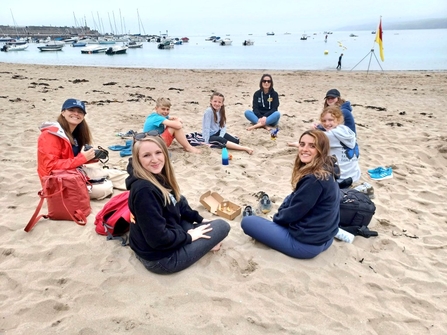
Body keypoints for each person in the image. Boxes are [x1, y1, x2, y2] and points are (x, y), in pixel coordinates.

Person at [126, 134, 231, 274]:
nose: (154, 159)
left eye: (158, 152)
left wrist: (199, 219)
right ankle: (200, 242)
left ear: (164, 153)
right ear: (138, 159)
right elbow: (157, 239)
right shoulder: (144, 191)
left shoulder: (156, 174)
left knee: (181, 200)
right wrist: (190, 237)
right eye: (146, 155)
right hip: (161, 259)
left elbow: (177, 201)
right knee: (222, 226)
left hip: (155, 239)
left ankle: (196, 236)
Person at [241, 130, 339, 259]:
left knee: (248, 222)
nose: (305, 149)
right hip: (326, 238)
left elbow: (293, 213)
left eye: (312, 146)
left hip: (306, 245)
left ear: (321, 149)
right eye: (302, 144)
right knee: (290, 198)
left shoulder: (314, 179)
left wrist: (278, 218)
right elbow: (298, 200)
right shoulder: (328, 168)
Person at [37, 98, 115, 199]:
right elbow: (51, 167)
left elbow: (72, 158)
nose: (76, 114)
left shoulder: (76, 133)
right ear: (63, 112)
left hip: (74, 173)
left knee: (116, 174)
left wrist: (92, 156)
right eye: (72, 110)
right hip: (57, 182)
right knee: (106, 188)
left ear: (83, 116)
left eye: (80, 112)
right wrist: (82, 158)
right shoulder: (50, 135)